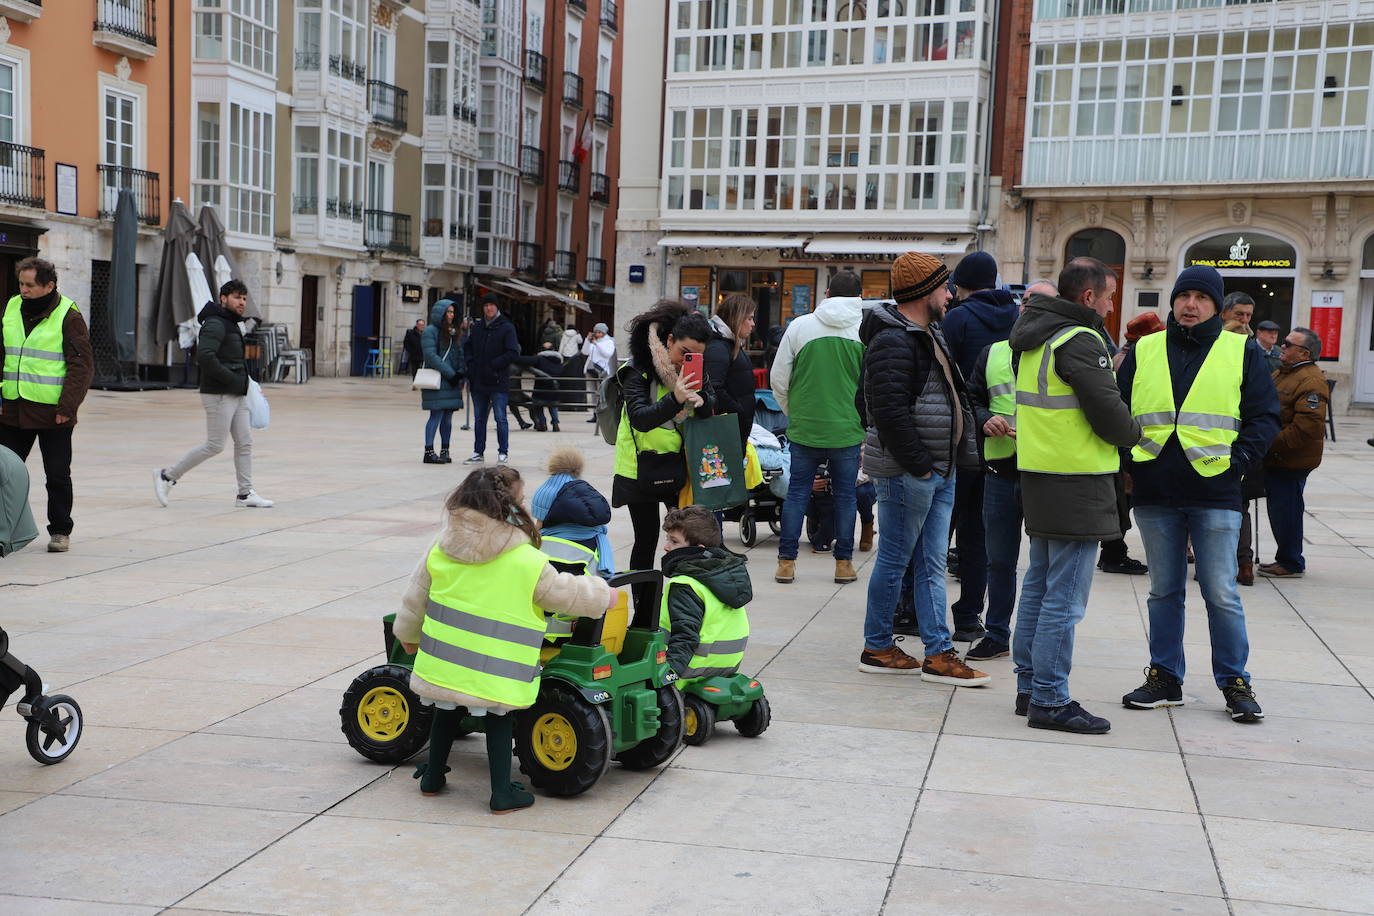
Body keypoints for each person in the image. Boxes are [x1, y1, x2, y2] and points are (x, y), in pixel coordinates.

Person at [393, 466, 618, 811]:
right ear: (507, 506)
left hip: (446, 664)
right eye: (522, 499)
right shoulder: (526, 560)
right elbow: (562, 593)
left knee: (446, 708)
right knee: (499, 717)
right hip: (496, 668)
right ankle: (501, 793)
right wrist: (602, 595)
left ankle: (432, 777)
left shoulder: (440, 547)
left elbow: (415, 597)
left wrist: (408, 635)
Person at [1118, 264, 1280, 725]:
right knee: (1163, 591)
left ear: (1216, 306)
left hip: (1215, 491)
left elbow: (1264, 417)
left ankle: (1235, 682)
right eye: (1184, 296)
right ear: (1172, 302)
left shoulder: (1240, 350)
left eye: (1201, 298)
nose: (1190, 305)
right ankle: (1165, 678)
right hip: (1154, 489)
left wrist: (1240, 463)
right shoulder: (1145, 348)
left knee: (1221, 592)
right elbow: (1119, 408)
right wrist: (1130, 460)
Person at [1009, 257, 1141, 734]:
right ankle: (1050, 698)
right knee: (1064, 597)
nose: (1110, 305)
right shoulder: (1081, 339)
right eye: (1108, 296)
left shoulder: (1032, 336)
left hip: (1042, 473)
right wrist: (1135, 432)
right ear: (1088, 298)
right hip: (1078, 478)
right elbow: (1107, 409)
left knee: (1040, 587)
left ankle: (1029, 686)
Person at [856, 251, 987, 685]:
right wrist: (920, 467)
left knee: (929, 563)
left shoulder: (928, 332)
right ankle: (878, 645)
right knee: (896, 560)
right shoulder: (894, 340)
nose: (950, 294)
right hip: (912, 472)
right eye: (944, 287)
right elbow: (884, 410)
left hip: (937, 469)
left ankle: (937, 651)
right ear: (923, 291)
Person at [611, 299, 714, 610]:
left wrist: (702, 399)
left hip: (675, 468)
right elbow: (641, 418)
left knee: (687, 536)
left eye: (695, 356)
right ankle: (642, 610)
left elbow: (711, 409)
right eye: (684, 353)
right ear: (669, 340)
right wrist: (676, 398)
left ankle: (682, 603)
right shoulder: (637, 371)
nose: (687, 361)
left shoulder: (693, 373)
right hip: (638, 468)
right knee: (644, 539)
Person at [940, 251, 1018, 642]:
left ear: (960, 285)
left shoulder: (956, 319)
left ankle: (919, 610)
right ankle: (969, 616)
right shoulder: (1017, 317)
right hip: (1003, 445)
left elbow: (947, 378)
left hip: (959, 438)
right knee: (978, 534)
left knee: (940, 530)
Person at [771, 269, 866, 586]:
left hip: (805, 427)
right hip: (848, 430)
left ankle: (786, 562)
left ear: (826, 294)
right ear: (859, 297)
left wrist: (793, 412)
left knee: (797, 493)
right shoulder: (863, 329)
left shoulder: (800, 326)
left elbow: (778, 379)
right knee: (846, 498)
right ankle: (844, 564)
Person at [0, 257, 93, 552]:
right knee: (4, 473)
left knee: (57, 475)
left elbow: (81, 366)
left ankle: (60, 530)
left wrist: (68, 407)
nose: (23, 290)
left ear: (49, 285)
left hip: (54, 413)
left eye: (30, 285)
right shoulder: (11, 306)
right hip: (13, 408)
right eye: (21, 284)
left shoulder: (69, 315)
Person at [154, 279, 272, 511]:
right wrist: (232, 379)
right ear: (223, 298)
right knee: (215, 445)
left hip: (235, 392)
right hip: (219, 393)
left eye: (244, 298)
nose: (242, 302)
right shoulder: (216, 323)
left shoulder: (231, 323)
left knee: (245, 442)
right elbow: (206, 357)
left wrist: (242, 382)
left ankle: (245, 493)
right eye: (237, 297)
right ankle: (167, 476)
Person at [963, 289, 1030, 662]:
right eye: (1027, 304)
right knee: (999, 558)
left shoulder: (1064, 352)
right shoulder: (993, 353)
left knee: (1047, 564)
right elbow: (971, 398)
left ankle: (1037, 635)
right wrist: (984, 418)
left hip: (1047, 471)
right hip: (1001, 469)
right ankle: (998, 633)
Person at [1258, 327, 1327, 579]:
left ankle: (1290, 562)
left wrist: (1267, 442)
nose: (1282, 347)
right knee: (1280, 508)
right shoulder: (1284, 372)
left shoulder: (1310, 380)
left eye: (1288, 344)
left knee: (1286, 509)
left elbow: (1307, 426)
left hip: (1290, 459)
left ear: (1304, 352)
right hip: (1278, 457)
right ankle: (1286, 557)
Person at [659, 505, 752, 680]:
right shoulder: (722, 574)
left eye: (674, 541)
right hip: (728, 664)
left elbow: (685, 635)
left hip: (692, 666)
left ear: (698, 548)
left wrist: (668, 675)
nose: (666, 547)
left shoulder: (685, 584)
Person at [462, 295, 520, 464]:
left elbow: (512, 352)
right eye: (486, 305)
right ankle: (478, 451)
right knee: (479, 418)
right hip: (479, 380)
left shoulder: (506, 327)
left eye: (492, 305)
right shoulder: (478, 327)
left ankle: (503, 452)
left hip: (497, 381)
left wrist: (494, 364)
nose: (489, 308)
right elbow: (468, 347)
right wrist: (471, 364)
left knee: (500, 417)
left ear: (497, 307)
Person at [705, 294, 758, 449]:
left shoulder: (729, 344)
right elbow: (714, 387)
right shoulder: (718, 347)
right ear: (737, 317)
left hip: (733, 428)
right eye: (749, 318)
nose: (752, 324)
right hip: (726, 429)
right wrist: (739, 413)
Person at [418, 300, 464, 464]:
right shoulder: (430, 331)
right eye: (448, 312)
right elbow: (431, 356)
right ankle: (428, 451)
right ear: (441, 313)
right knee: (435, 415)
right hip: (437, 379)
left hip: (452, 380)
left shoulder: (454, 331)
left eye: (453, 312)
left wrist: (460, 373)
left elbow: (459, 353)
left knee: (448, 417)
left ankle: (445, 449)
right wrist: (451, 374)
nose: (451, 315)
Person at [582, 322, 617, 422]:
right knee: (593, 393)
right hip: (590, 369)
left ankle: (603, 414)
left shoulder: (609, 341)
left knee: (602, 393)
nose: (597, 334)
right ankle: (595, 414)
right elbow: (585, 352)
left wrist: (596, 344)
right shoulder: (593, 341)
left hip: (602, 370)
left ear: (604, 332)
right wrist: (587, 341)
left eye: (599, 332)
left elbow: (608, 354)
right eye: (595, 332)